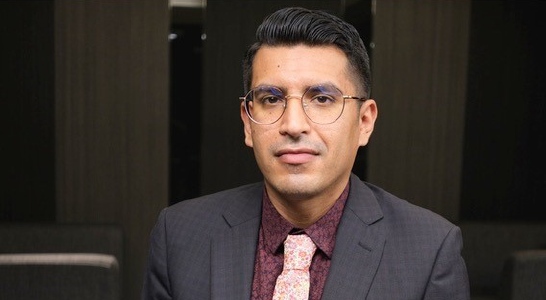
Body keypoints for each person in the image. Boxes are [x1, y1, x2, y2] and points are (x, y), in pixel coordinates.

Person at [143, 7, 469, 300]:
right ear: (247, 123)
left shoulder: (429, 251)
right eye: (271, 99)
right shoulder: (180, 236)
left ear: (365, 122)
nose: (294, 125)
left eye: (322, 99)